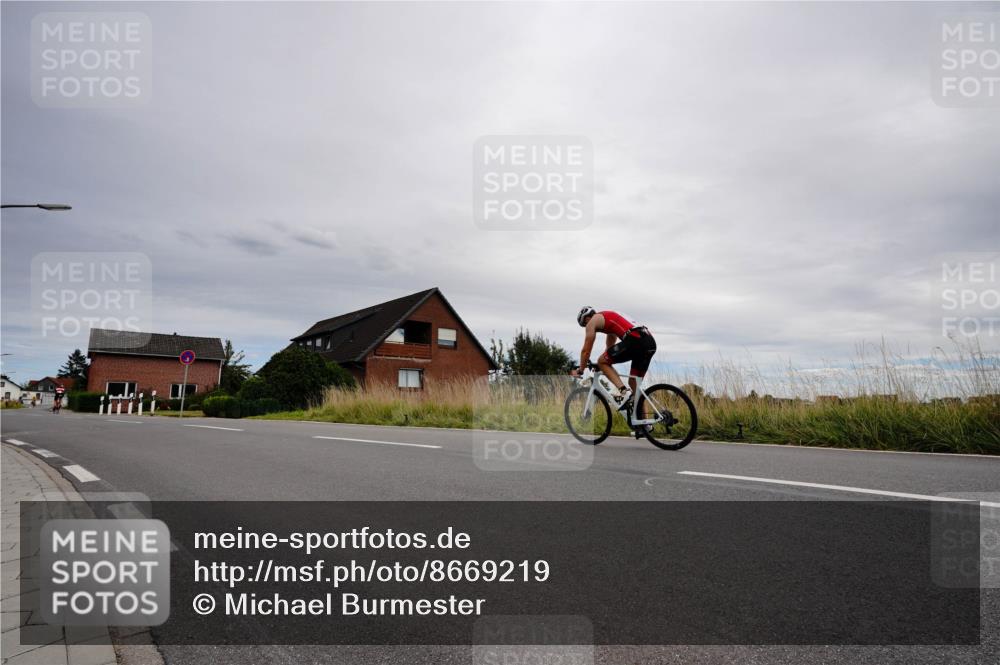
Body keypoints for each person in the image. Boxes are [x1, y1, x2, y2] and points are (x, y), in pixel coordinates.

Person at [571, 306, 657, 411]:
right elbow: (609, 349)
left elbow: (586, 351)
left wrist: (581, 369)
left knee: (601, 361)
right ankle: (645, 424)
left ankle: (625, 392)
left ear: (586, 318)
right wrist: (603, 364)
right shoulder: (608, 319)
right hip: (649, 342)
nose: (586, 327)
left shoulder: (592, 321)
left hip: (635, 340)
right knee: (634, 383)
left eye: (584, 324)